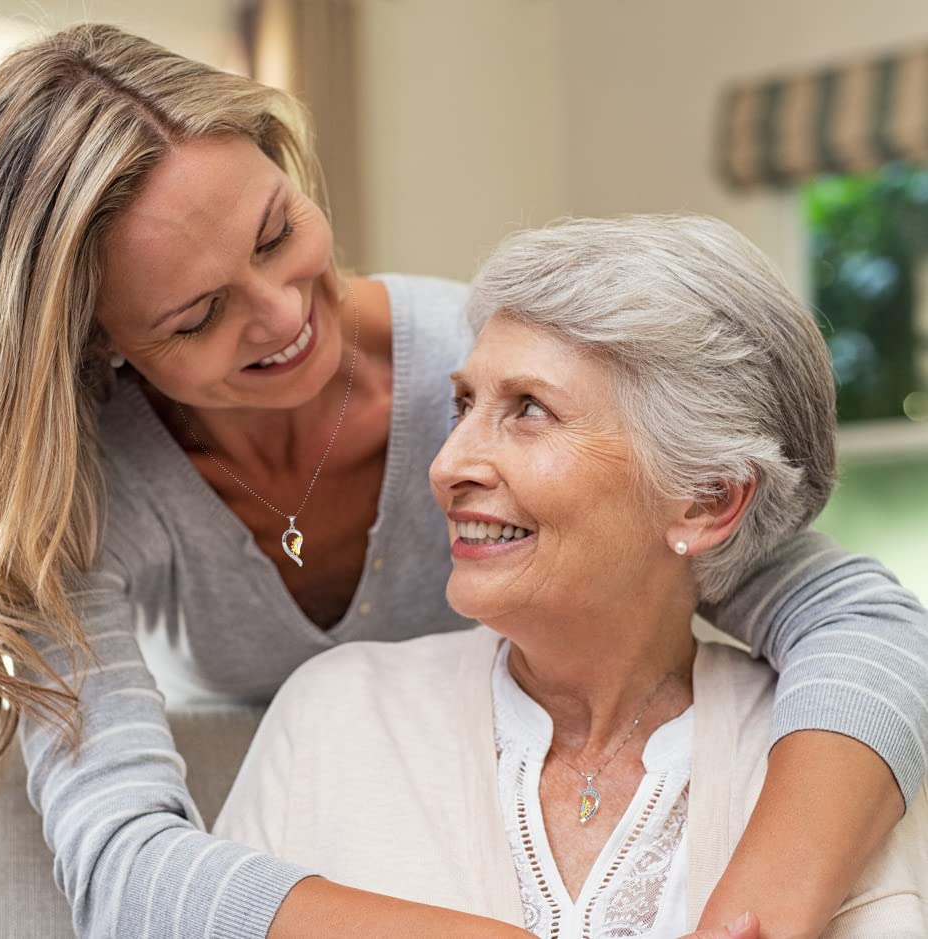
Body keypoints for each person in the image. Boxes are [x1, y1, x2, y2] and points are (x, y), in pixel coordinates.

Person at [0, 23, 924, 939]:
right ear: (99, 340)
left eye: (277, 234)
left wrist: (758, 910)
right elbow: (123, 866)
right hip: (306, 822)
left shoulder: (480, 362)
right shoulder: (72, 497)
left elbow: (855, 618)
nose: (282, 316)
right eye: (196, 316)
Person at [214, 215, 928, 938]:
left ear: (707, 499)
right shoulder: (335, 714)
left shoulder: (834, 764)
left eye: (529, 410)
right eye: (464, 404)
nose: (445, 465)